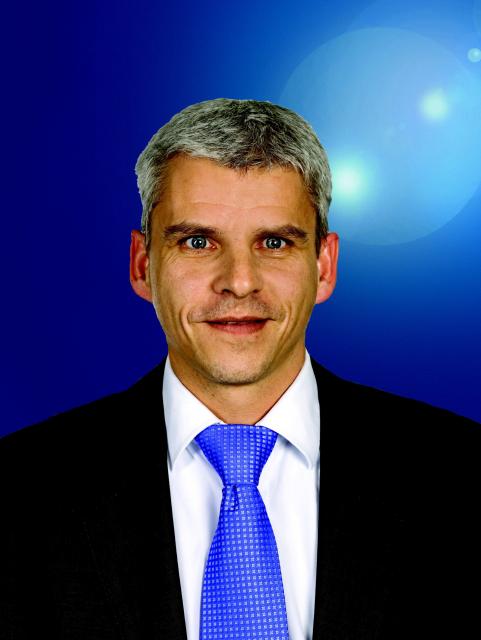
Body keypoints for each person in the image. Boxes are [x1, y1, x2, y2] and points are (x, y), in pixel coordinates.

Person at [0, 98, 479, 640]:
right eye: (198, 242)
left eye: (274, 242)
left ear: (324, 267)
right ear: (143, 265)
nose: (239, 281)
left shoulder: (460, 477)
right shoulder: (20, 494)